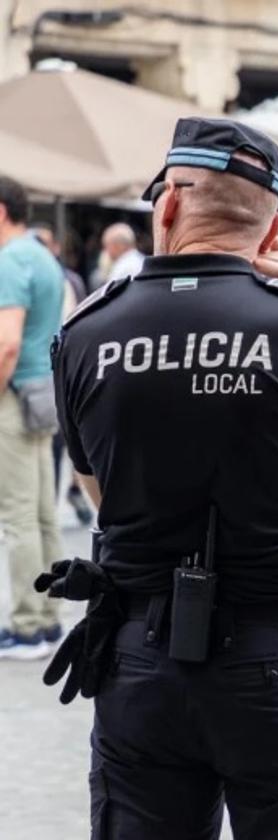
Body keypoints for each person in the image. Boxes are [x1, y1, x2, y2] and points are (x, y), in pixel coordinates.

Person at [48, 117, 278, 838]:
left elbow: (102, 493)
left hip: (142, 661)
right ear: (272, 232)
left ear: (169, 206)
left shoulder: (87, 335)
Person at [0, 177, 65, 659]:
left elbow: (6, 342)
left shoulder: (9, 260)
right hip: (43, 391)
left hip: (15, 393)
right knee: (43, 513)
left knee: (17, 514)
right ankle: (47, 618)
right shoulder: (42, 254)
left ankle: (26, 625)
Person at [30, 222, 94, 527]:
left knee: (57, 446)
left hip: (49, 375)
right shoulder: (68, 279)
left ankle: (59, 497)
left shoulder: (47, 279)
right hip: (57, 374)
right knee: (56, 447)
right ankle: (62, 497)